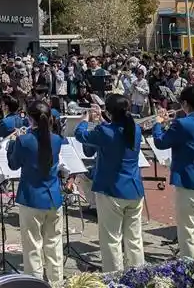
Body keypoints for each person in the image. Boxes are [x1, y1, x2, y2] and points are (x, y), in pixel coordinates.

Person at [75, 94, 144, 273]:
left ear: (109, 111)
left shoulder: (105, 132)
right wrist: (103, 119)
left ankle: (115, 277)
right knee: (134, 239)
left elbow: (80, 134)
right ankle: (138, 275)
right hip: (134, 188)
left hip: (111, 190)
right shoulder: (134, 129)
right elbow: (115, 130)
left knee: (111, 239)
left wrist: (86, 120)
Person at [152, 86, 194, 259]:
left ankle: (189, 265)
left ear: (186, 103)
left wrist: (158, 124)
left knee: (187, 227)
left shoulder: (183, 123)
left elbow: (160, 142)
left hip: (189, 181)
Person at [7, 99, 64, 284]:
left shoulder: (25, 140)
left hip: (31, 197)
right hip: (53, 196)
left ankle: (35, 283)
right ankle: (57, 282)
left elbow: (13, 164)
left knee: (33, 247)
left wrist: (12, 144)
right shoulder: (56, 139)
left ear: (30, 119)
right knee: (54, 246)